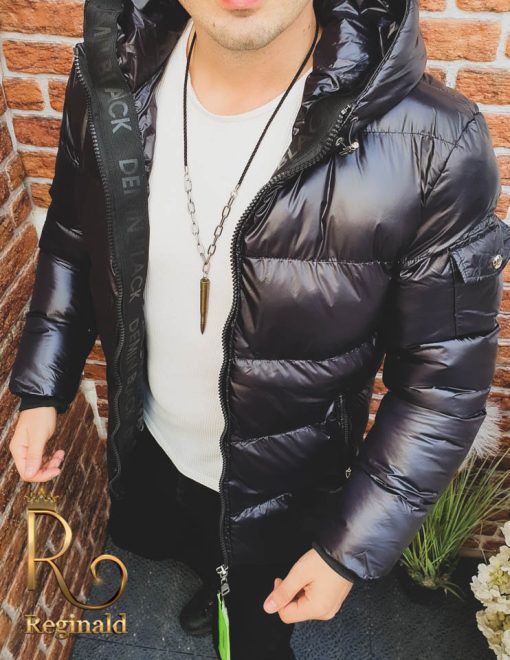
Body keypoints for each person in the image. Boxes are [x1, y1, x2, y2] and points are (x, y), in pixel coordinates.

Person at [7, 0, 510, 658]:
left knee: (255, 625)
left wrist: (346, 551)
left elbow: (441, 385)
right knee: (200, 551)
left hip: (289, 488)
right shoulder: (111, 80)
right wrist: (44, 388)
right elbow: (72, 241)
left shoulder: (432, 142)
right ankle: (214, 581)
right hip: (154, 444)